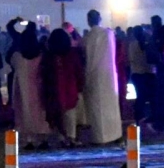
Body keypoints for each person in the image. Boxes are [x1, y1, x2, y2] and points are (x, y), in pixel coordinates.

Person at [82, 10, 122, 145]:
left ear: (88, 20)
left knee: (97, 108)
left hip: (93, 75)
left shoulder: (87, 38)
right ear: (100, 19)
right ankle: (115, 134)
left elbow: (85, 57)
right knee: (111, 106)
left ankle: (100, 137)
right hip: (109, 75)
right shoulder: (109, 34)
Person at [8, 19, 49, 148]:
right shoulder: (41, 55)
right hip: (39, 88)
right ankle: (43, 139)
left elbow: (11, 64)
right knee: (41, 113)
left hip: (23, 89)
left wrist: (17, 20)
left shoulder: (18, 56)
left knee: (25, 113)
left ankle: (29, 140)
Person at [42, 28, 85, 147]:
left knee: (56, 115)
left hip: (53, 89)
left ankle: (61, 137)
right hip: (70, 88)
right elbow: (78, 72)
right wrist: (80, 86)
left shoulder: (49, 56)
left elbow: (44, 74)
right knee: (70, 114)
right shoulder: (72, 54)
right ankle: (71, 137)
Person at [128, 26, 156, 124]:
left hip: (137, 73)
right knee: (151, 96)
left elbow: (131, 59)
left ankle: (139, 116)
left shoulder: (132, 45)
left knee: (140, 96)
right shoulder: (147, 44)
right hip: (148, 73)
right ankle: (151, 115)